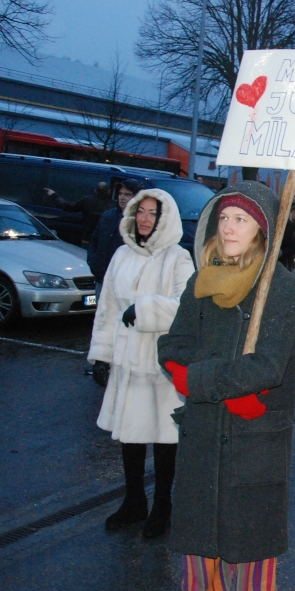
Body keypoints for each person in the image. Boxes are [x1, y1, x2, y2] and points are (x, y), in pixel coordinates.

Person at [158, 181, 295, 591]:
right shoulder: (202, 281)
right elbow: (172, 346)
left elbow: (268, 366)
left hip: (253, 443)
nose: (228, 227)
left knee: (251, 573)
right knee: (199, 575)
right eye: (223, 218)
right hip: (202, 438)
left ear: (261, 228)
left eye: (240, 219)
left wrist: (201, 378)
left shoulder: (279, 286)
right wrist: (197, 378)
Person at [87, 189, 194, 538]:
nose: (145, 219)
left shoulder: (178, 258)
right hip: (127, 361)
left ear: (166, 220)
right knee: (130, 436)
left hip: (162, 362)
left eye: (153, 214)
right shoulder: (121, 255)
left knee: (164, 440)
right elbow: (107, 308)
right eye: (141, 212)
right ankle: (134, 501)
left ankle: (164, 505)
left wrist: (145, 308)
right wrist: (102, 355)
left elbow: (187, 306)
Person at [87, 179, 145, 296]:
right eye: (120, 194)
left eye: (127, 194)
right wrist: (93, 260)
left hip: (124, 282)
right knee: (101, 312)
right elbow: (94, 239)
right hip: (102, 277)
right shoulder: (109, 215)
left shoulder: (142, 221)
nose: (122, 198)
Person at [44, 180, 114, 246]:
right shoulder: (113, 206)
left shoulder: (87, 201)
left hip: (87, 238)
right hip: (103, 240)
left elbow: (67, 206)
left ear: (95, 191)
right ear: (109, 191)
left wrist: (54, 195)